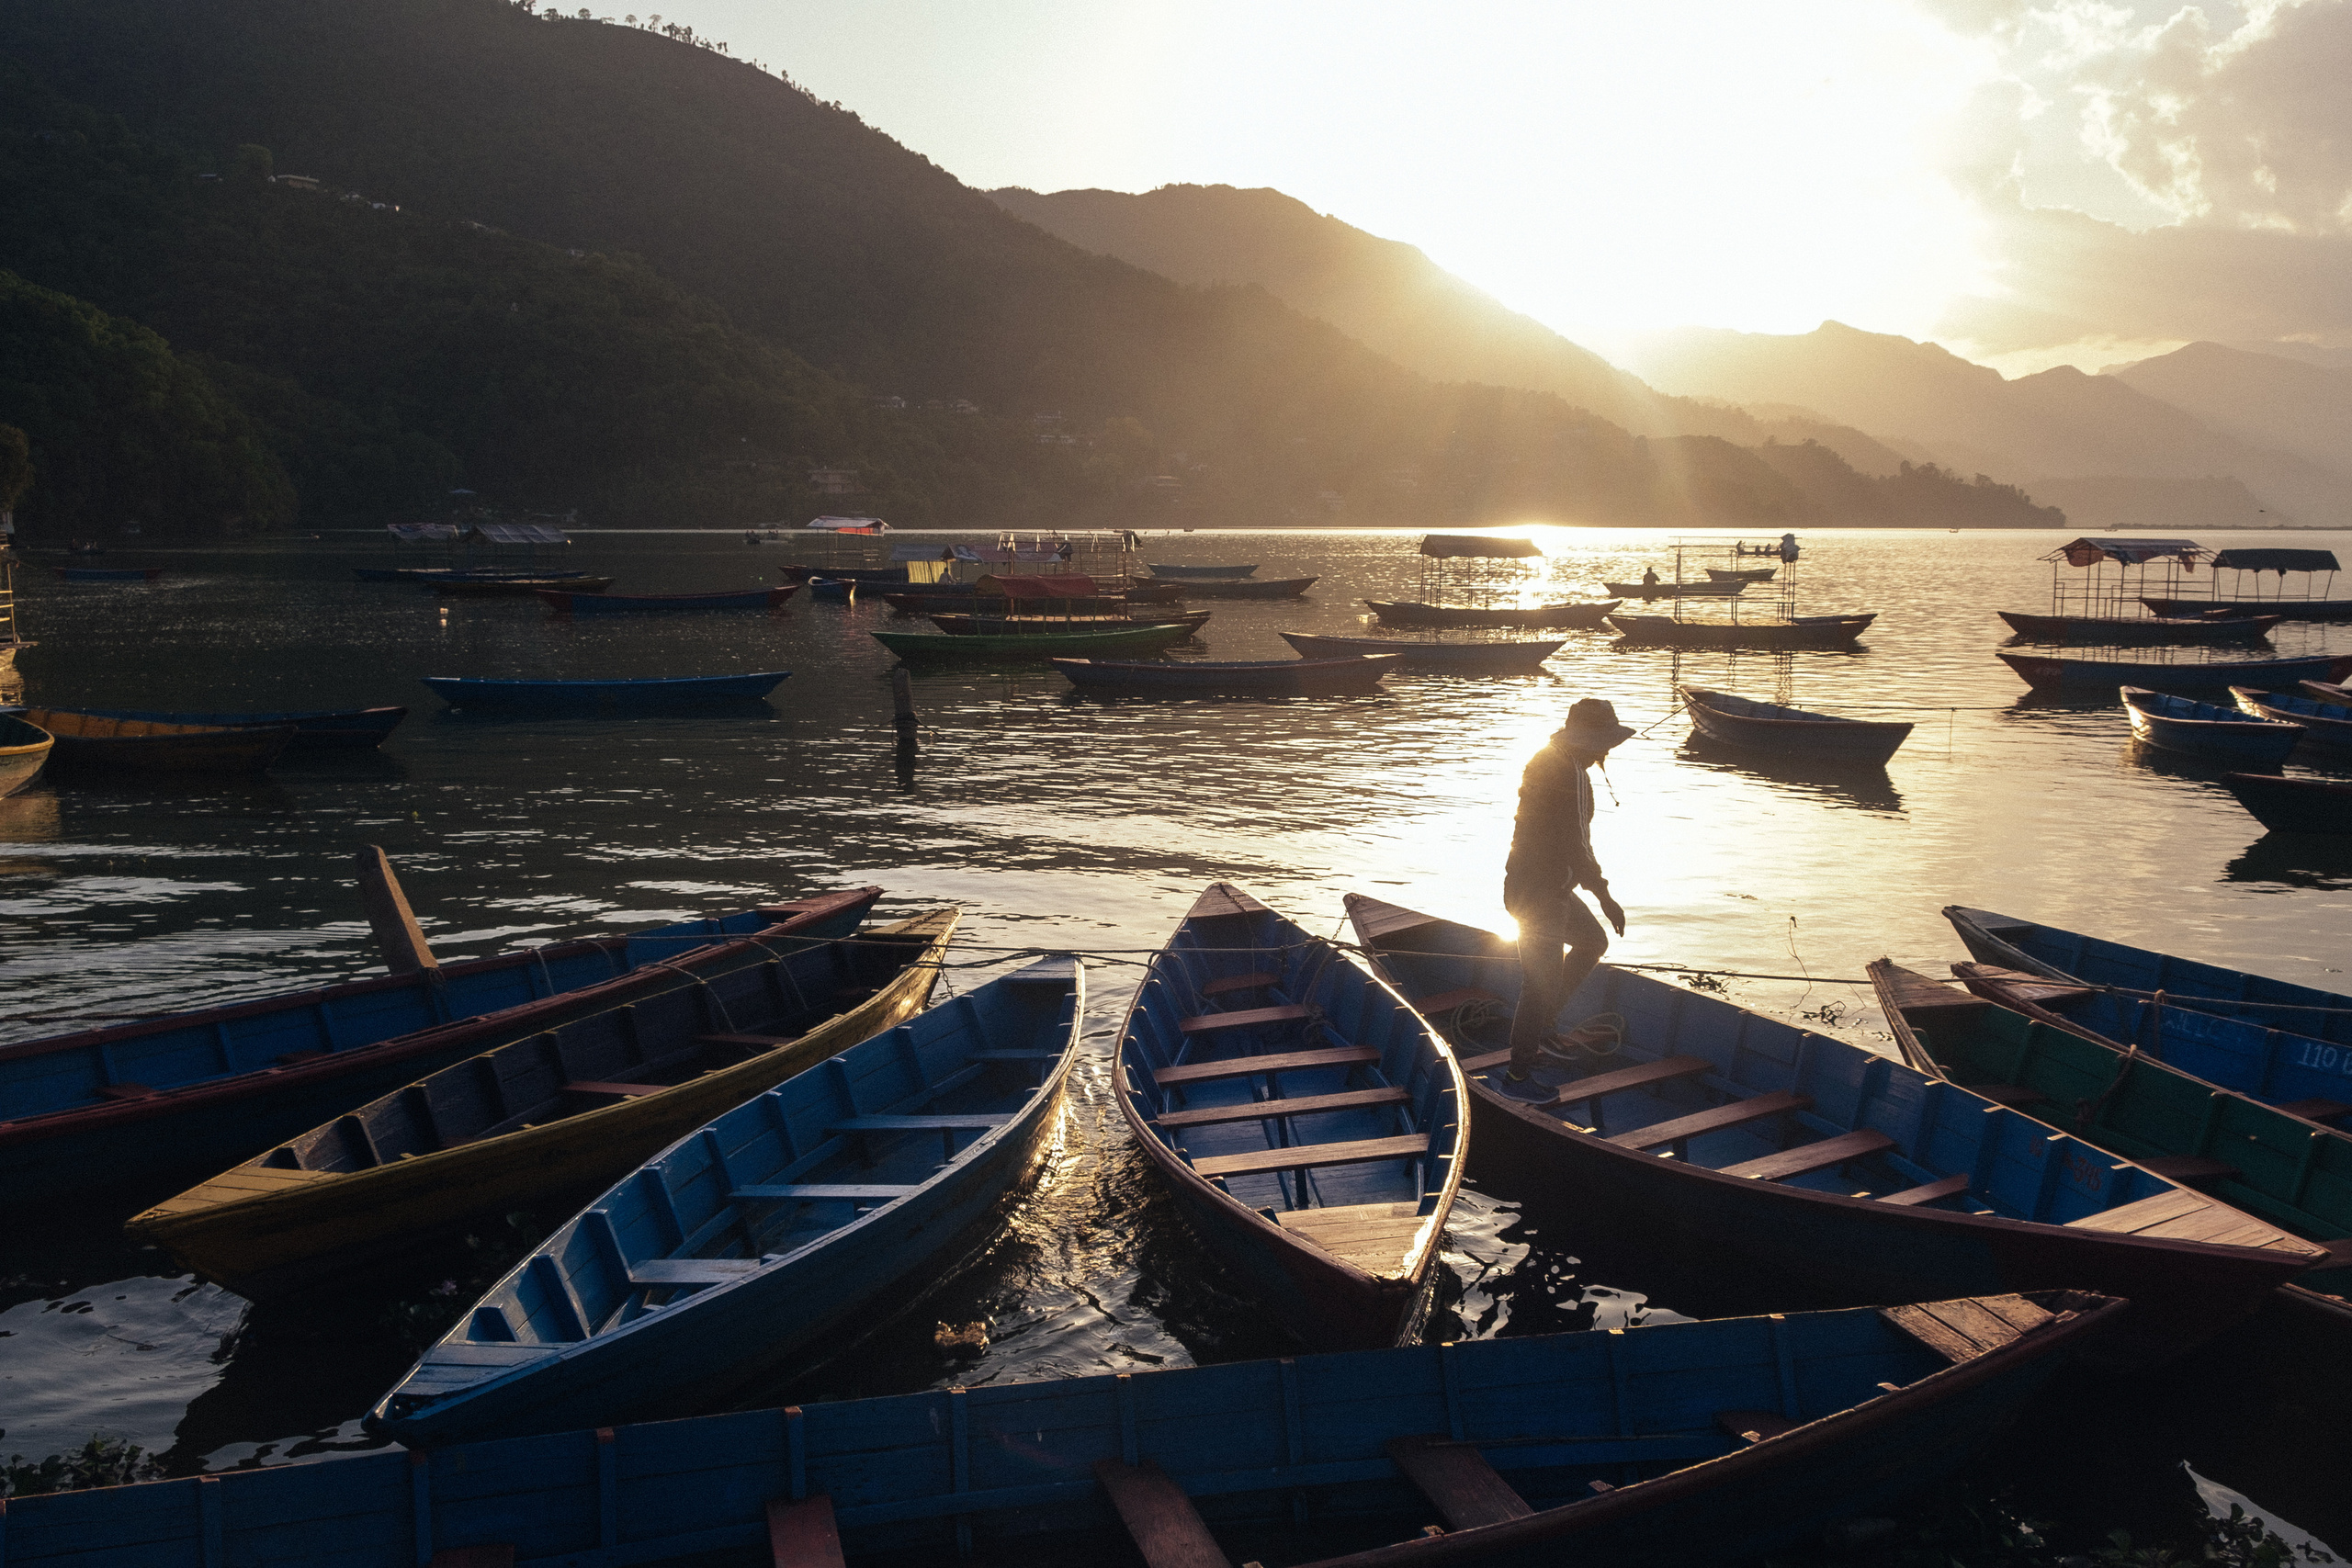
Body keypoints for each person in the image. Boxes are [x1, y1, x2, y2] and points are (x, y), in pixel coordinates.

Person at [1500, 697, 1635, 1089]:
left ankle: (1543, 1024)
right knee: (1539, 982)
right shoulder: (1570, 772)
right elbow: (1578, 845)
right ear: (1587, 740)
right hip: (1542, 892)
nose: (1606, 751)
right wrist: (1605, 898)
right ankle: (1517, 1075)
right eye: (1603, 743)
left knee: (1592, 942)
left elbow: (1562, 838)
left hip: (1532, 885)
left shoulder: (1547, 758)